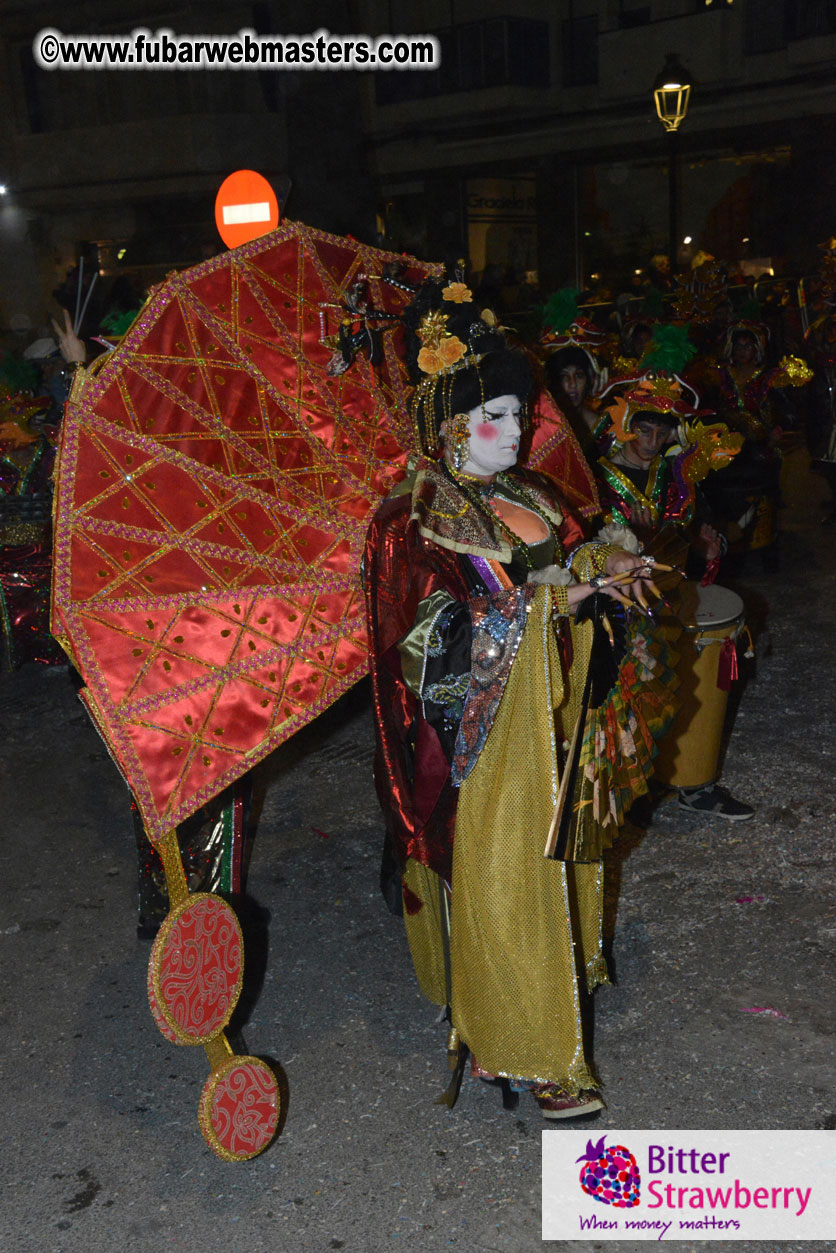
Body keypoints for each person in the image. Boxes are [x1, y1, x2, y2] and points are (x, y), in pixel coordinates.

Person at [364, 279, 678, 1118]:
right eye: (491, 417)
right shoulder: (418, 517)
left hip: (556, 709)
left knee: (564, 853)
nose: (513, 431)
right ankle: (522, 1042)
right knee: (508, 873)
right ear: (448, 425)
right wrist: (552, 607)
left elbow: (555, 569)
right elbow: (429, 639)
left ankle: (557, 983)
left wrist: (603, 569)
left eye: (515, 411)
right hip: (486, 734)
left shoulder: (537, 494)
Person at [593, 370, 754, 822]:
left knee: (686, 690)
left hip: (672, 599)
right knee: (632, 700)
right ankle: (627, 794)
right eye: (645, 428)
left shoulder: (675, 473)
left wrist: (707, 539)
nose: (653, 438)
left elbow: (693, 530)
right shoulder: (595, 475)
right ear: (628, 425)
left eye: (663, 430)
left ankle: (691, 783)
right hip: (618, 608)